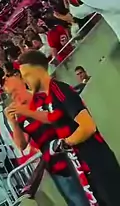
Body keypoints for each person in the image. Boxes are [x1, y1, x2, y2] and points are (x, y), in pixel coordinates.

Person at [18, 50, 120, 206]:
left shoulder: (60, 91)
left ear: (38, 70)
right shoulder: (48, 98)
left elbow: (88, 126)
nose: (25, 81)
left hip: (98, 163)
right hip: (84, 167)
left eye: (27, 75)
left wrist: (65, 143)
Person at [4, 74, 87, 206]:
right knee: (78, 202)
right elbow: (21, 145)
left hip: (76, 152)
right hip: (56, 165)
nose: (14, 96)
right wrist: (13, 123)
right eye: (10, 94)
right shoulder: (20, 116)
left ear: (23, 84)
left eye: (15, 90)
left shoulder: (43, 96)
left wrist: (29, 111)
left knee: (97, 190)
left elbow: (57, 117)